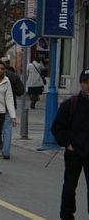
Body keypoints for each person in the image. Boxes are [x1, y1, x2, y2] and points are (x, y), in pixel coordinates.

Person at [51, 68, 89, 220]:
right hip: (74, 153)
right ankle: (67, 215)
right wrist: (67, 143)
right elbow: (57, 128)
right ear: (80, 83)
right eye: (86, 82)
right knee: (69, 187)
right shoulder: (70, 104)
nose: (88, 85)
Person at [0, 56, 24, 160]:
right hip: (9, 106)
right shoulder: (14, 76)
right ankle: (6, 151)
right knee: (7, 129)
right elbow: (20, 91)